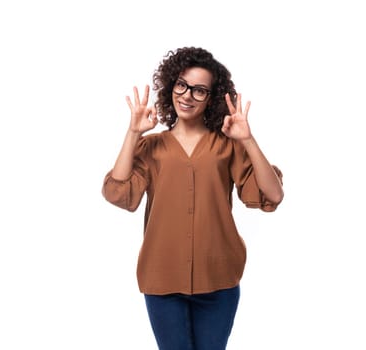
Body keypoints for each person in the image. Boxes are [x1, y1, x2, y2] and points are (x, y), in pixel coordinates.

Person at [102, 46, 284, 350]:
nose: (187, 95)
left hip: (219, 278)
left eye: (199, 90)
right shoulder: (152, 146)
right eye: (182, 85)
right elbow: (118, 192)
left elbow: (272, 193)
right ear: (172, 85)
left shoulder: (228, 145)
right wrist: (133, 133)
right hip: (162, 278)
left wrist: (248, 139)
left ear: (211, 98)